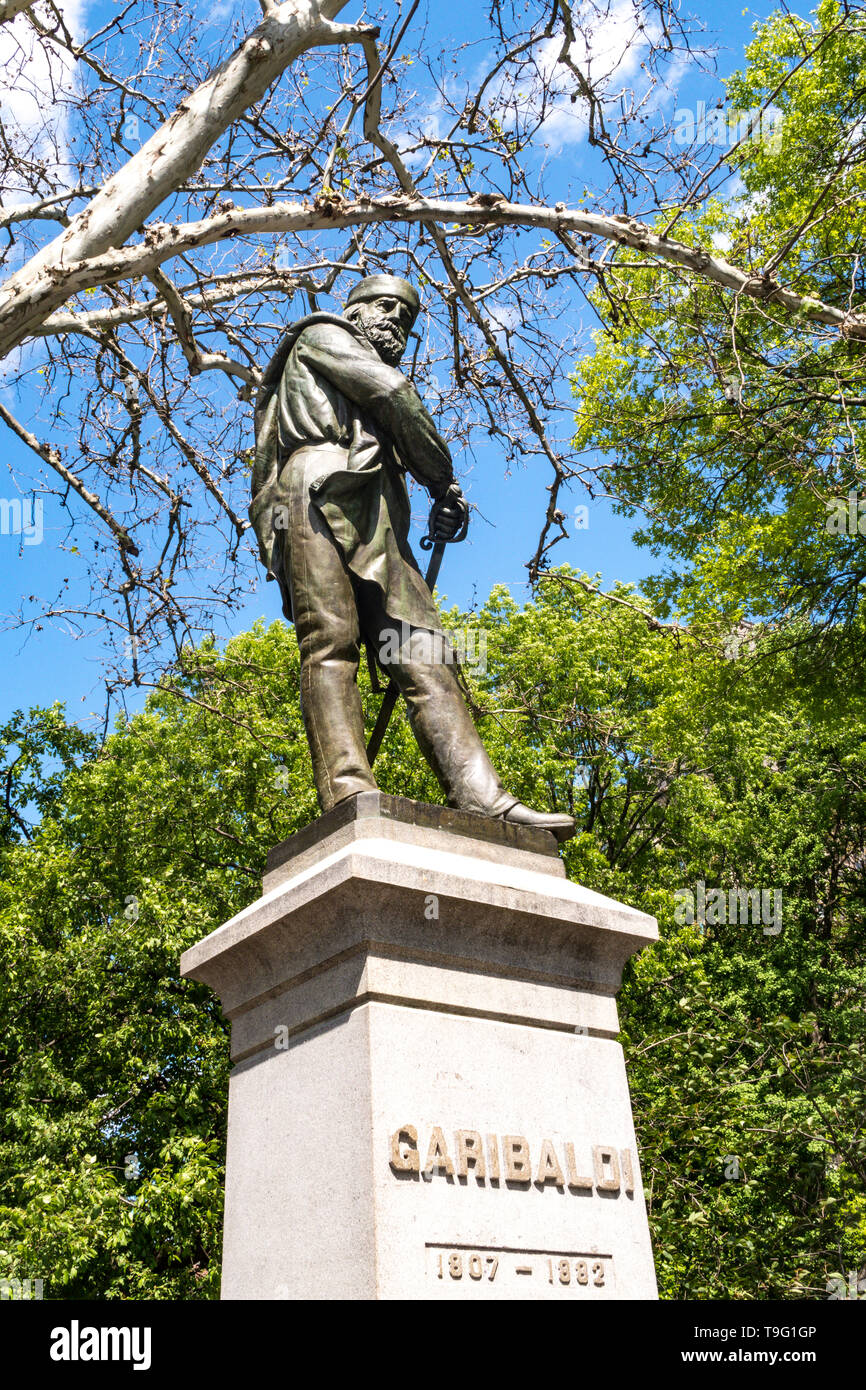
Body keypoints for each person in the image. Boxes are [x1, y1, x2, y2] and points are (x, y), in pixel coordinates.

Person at [250, 274, 575, 841]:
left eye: (407, 315)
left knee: (424, 651)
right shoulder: (321, 335)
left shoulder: (369, 403)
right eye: (386, 306)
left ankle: (482, 798)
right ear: (354, 311)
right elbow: (395, 395)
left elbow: (388, 436)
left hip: (377, 512)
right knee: (331, 640)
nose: (398, 319)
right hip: (314, 494)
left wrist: (437, 504)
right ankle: (350, 790)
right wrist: (441, 477)